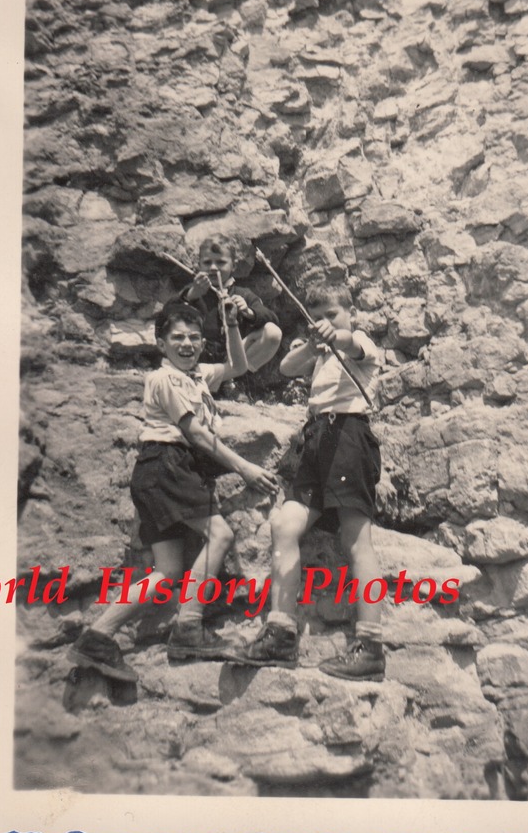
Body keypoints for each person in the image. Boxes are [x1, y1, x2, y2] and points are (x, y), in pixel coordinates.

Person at [69, 299, 277, 681]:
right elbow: (195, 432)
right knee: (221, 534)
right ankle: (189, 628)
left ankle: (97, 635)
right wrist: (245, 468)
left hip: (156, 473)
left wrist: (231, 325)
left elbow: (239, 365)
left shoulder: (198, 376)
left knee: (166, 571)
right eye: (177, 338)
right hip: (167, 464)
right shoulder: (164, 379)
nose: (187, 344)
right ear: (161, 343)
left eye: (195, 338)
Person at [237, 283, 386, 681]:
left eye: (331, 314)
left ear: (350, 311)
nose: (323, 323)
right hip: (316, 441)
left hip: (349, 436)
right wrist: (313, 343)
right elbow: (286, 367)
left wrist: (334, 336)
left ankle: (370, 645)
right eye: (315, 316)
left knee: (356, 538)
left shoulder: (361, 343)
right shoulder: (318, 353)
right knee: (283, 525)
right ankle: (281, 633)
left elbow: (353, 344)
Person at [178, 233, 282, 377]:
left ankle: (232, 380)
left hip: (234, 362)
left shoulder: (243, 293)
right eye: (207, 263)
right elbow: (169, 314)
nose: (213, 268)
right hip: (200, 360)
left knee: (272, 332)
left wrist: (248, 311)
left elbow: (272, 318)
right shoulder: (193, 291)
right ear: (198, 265)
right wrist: (191, 296)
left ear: (234, 266)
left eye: (220, 262)